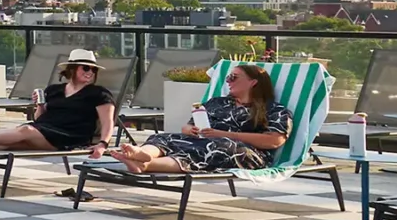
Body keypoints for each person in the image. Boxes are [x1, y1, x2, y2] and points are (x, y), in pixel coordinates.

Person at [108, 63, 291, 175]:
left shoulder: (274, 109)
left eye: (233, 77)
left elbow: (274, 140)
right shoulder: (217, 102)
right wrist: (192, 130)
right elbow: (187, 127)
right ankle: (143, 154)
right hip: (204, 141)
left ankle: (147, 165)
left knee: (218, 146)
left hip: (245, 152)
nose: (228, 81)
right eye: (228, 77)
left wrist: (224, 134)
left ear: (253, 82)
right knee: (165, 136)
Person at [0, 48, 114, 154]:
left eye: (94, 70)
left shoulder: (99, 93)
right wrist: (40, 105)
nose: (90, 72)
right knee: (20, 141)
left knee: (26, 131)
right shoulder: (54, 90)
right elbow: (39, 119)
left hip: (70, 136)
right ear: (72, 69)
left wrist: (102, 144)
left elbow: (107, 122)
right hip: (45, 129)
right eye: (86, 68)